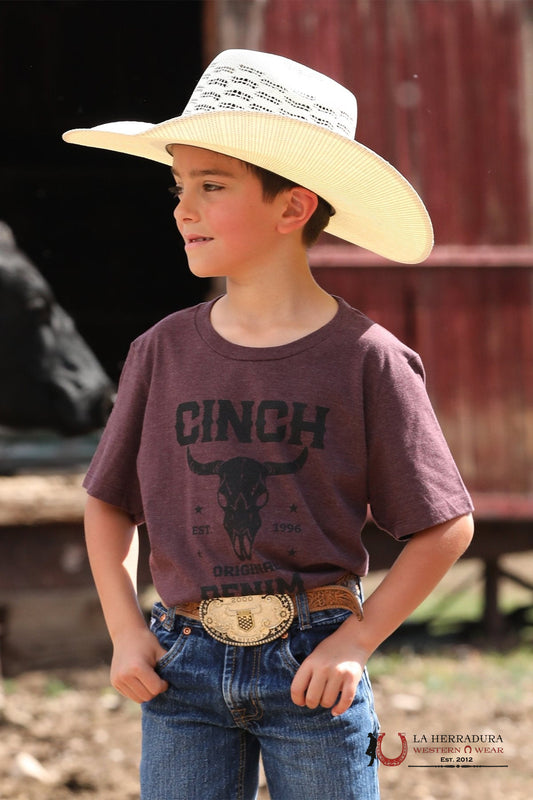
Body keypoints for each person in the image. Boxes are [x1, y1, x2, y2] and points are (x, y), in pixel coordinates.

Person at [63, 50, 474, 800]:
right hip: (178, 666)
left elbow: (443, 524)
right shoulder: (160, 352)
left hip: (313, 668)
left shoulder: (368, 360)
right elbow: (107, 499)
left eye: (211, 187)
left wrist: (356, 642)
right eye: (178, 186)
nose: (183, 207)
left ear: (293, 208)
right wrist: (125, 629)